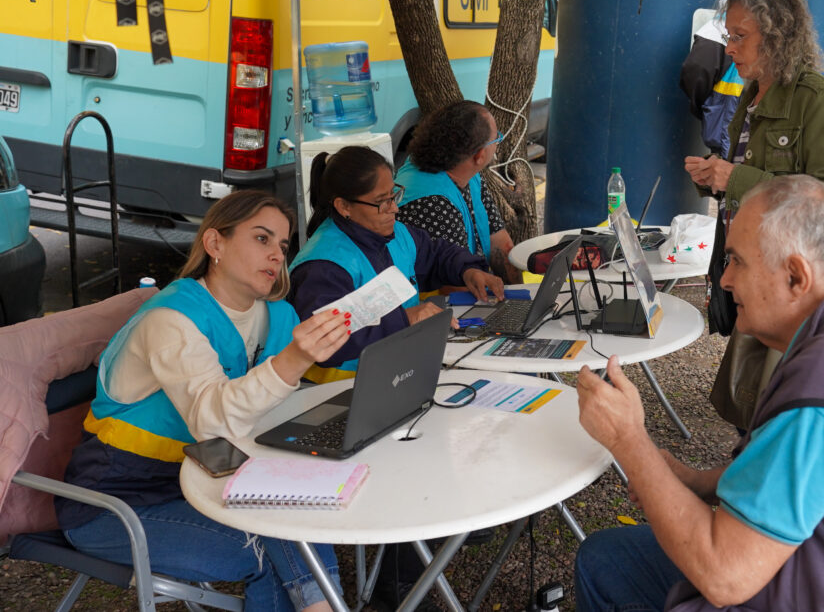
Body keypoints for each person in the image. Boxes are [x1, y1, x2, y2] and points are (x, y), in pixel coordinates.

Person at [573, 175, 824, 612]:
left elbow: (724, 576)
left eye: (737, 261)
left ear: (796, 275)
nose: (724, 280)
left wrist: (629, 441)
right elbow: (793, 475)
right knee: (606, 559)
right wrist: (690, 480)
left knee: (609, 565)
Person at [56, 190, 353, 611]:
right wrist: (292, 361)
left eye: (283, 246)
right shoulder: (170, 320)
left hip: (212, 478)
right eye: (262, 239)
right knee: (265, 549)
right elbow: (212, 424)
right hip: (117, 501)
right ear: (215, 244)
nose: (276, 256)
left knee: (297, 521)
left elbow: (273, 411)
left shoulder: (279, 317)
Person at [683, 0, 824, 429]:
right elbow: (759, 181)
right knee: (754, 413)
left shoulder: (815, 98)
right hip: (757, 281)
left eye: (739, 36)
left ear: (776, 35)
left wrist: (735, 177)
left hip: (793, 293)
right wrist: (716, 179)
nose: (729, 48)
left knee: (778, 415)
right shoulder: (752, 93)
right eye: (729, 36)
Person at [288, 146, 504, 383]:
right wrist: (406, 319)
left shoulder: (395, 233)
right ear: (344, 207)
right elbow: (324, 342)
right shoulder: (323, 265)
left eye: (394, 195)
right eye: (382, 202)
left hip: (397, 373)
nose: (395, 208)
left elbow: (435, 254)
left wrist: (467, 270)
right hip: (340, 389)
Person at [677, 0, 792, 157]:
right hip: (730, 137)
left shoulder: (787, 27)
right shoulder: (730, 20)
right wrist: (711, 107)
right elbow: (696, 69)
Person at [395, 100, 521, 283]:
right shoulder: (431, 204)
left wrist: (522, 297)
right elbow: (453, 284)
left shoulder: (468, 174)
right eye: (497, 139)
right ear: (479, 155)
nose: (498, 143)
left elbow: (501, 244)